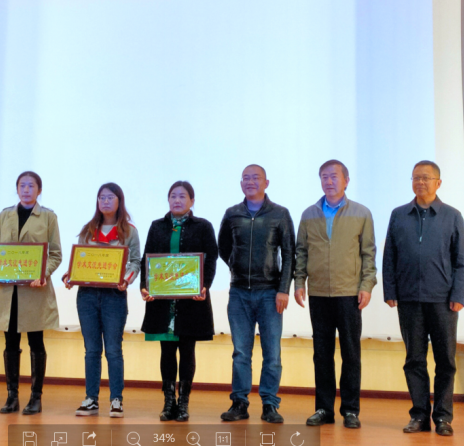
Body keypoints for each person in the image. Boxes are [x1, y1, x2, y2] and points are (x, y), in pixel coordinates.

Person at [383, 161, 464, 437]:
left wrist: (458, 295)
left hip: (443, 301)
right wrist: (390, 291)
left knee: (445, 361)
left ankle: (443, 417)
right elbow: (389, 256)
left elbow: (462, 261)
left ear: (438, 183)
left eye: (426, 178)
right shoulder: (399, 215)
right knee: (414, 360)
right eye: (416, 178)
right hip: (409, 299)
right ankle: (419, 415)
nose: (420, 182)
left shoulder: (452, 216)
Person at [294, 160, 377, 429]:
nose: (328, 181)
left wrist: (366, 285)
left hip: (349, 293)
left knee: (351, 353)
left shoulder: (361, 213)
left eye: (334, 176)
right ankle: (324, 409)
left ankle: (350, 410)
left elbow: (368, 254)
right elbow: (301, 252)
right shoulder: (309, 214)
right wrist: (299, 282)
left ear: (346, 180)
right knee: (322, 354)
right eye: (324, 177)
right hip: (318, 293)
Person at [217, 164, 295, 424]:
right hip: (239, 293)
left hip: (270, 293)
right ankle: (239, 403)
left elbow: (289, 254)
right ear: (241, 184)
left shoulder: (280, 214)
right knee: (241, 352)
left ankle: (270, 404)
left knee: (272, 353)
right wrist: (236, 265)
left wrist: (283, 289)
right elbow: (223, 247)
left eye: (256, 178)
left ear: (266, 182)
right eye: (246, 178)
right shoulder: (232, 214)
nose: (250, 182)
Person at [140, 180, 219, 422]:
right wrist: (145, 286)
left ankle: (183, 403)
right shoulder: (157, 226)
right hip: (163, 301)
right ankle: (168, 403)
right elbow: (147, 259)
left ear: (192, 201)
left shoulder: (203, 226)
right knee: (166, 351)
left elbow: (211, 259)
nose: (177, 200)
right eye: (173, 196)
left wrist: (205, 286)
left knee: (187, 350)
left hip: (191, 301)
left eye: (182, 196)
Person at [63, 182, 141, 418]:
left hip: (114, 297)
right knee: (91, 350)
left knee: (114, 350)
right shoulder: (88, 229)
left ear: (119, 201)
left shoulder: (129, 231)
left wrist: (125, 280)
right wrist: (70, 275)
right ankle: (91, 399)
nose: (105, 201)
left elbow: (135, 262)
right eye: (101, 198)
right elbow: (79, 260)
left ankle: (116, 400)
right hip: (87, 296)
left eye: (110, 197)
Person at [0, 171, 62, 415]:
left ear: (39, 190)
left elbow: (55, 254)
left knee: (36, 342)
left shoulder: (48, 217)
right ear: (17, 189)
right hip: (7, 292)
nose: (26, 189)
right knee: (10, 342)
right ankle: (12, 396)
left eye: (31, 186)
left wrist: (44, 273)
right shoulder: (4, 215)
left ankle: (35, 397)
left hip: (34, 291)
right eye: (22, 185)